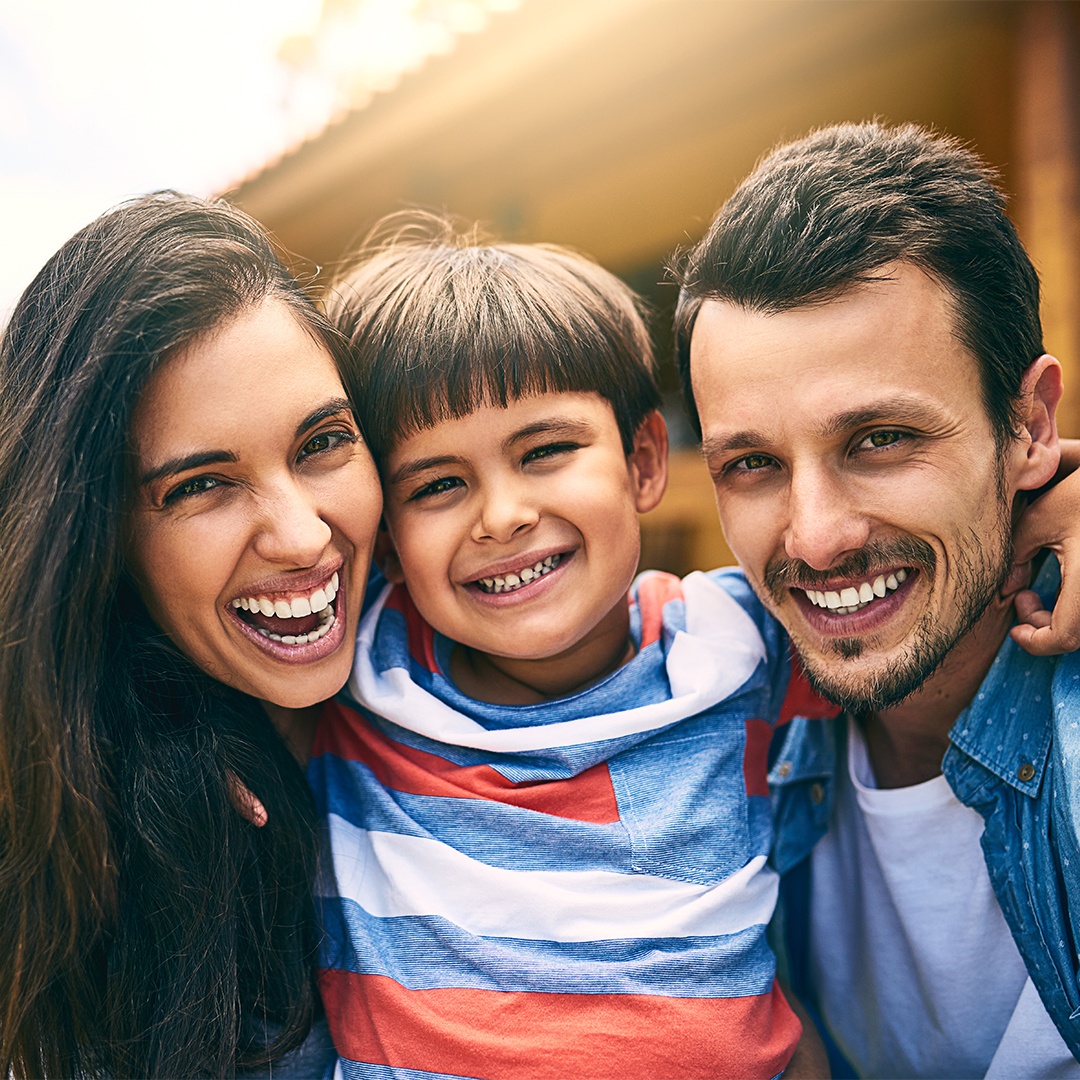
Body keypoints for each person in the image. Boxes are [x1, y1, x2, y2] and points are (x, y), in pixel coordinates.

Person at [309, 217, 824, 1078]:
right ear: (386, 536)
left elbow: (943, 611)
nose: (502, 515)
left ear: (644, 461)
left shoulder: (741, 640)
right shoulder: (354, 676)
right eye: (437, 485)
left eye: (546, 451)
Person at [675, 121, 1080, 1077]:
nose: (815, 537)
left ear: (1030, 426)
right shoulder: (710, 697)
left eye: (881, 439)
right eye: (753, 464)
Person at [0, 192, 383, 1078]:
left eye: (322, 441)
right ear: (98, 536)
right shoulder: (79, 852)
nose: (300, 536)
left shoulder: (467, 677)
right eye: (201, 486)